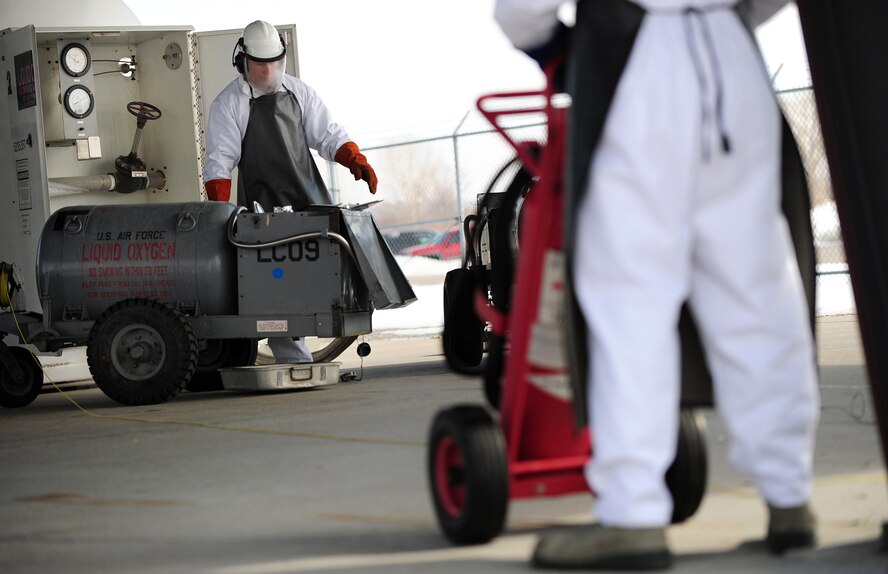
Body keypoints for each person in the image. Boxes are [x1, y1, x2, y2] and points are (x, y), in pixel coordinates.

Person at [494, 0, 820, 570]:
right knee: (758, 293)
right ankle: (789, 499)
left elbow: (521, 9)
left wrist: (552, 47)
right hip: (733, 60)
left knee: (629, 301)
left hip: (634, 61)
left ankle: (633, 512)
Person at [203, 20, 377, 364]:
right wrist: (218, 216)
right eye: (260, 64)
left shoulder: (300, 93)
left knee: (325, 276)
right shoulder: (228, 105)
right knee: (273, 289)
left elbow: (327, 135)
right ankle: (297, 361)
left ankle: (330, 332)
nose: (268, 71)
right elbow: (219, 161)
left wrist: (354, 159)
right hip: (261, 215)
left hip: (308, 203)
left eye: (274, 63)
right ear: (243, 61)